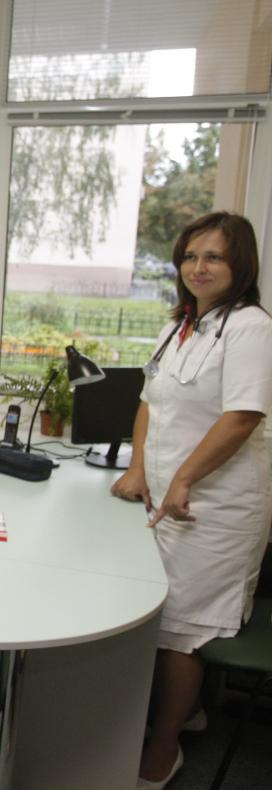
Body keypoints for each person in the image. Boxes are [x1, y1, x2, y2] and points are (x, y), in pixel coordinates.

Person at [110, 212, 272, 788]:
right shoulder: (179, 326)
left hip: (215, 510)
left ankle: (165, 745)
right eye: (190, 256)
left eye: (214, 257)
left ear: (239, 265)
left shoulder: (251, 327)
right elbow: (149, 403)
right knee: (158, 618)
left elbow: (242, 417)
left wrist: (181, 479)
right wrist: (137, 468)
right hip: (166, 501)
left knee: (183, 632)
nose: (198, 267)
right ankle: (185, 712)